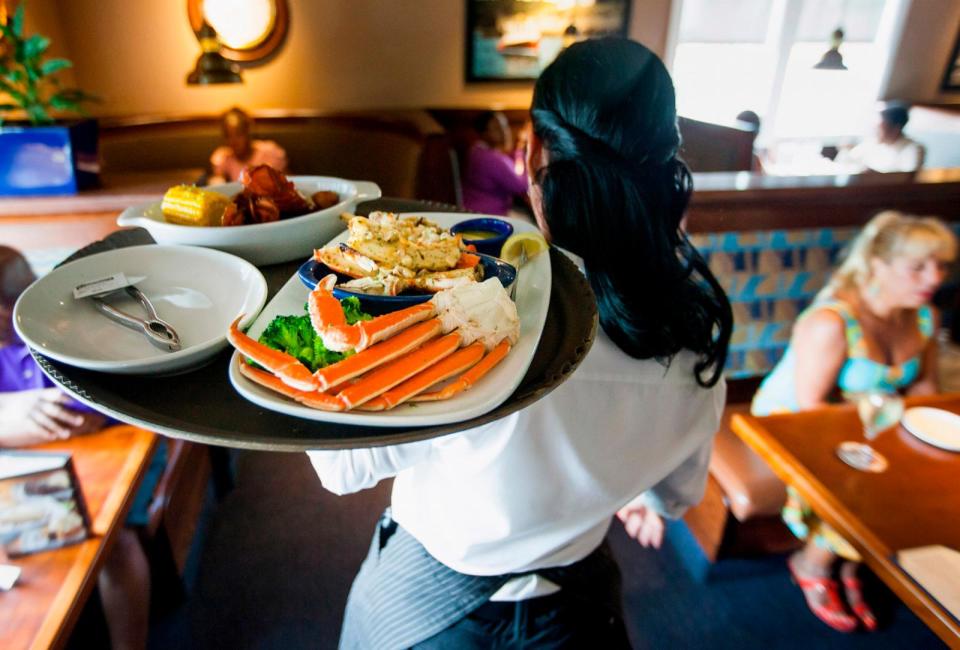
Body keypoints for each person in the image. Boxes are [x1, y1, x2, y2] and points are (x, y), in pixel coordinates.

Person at [308, 38, 732, 648]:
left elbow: (341, 468)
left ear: (530, 155)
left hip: (428, 602)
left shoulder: (472, 310)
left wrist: (323, 307)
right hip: (578, 611)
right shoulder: (695, 333)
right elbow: (676, 497)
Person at [752, 211, 957, 632]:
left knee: (924, 474)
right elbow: (809, 408)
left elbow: (925, 389)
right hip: (787, 421)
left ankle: (848, 561)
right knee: (868, 484)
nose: (934, 277)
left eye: (942, 265)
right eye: (918, 267)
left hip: (865, 420)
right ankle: (813, 562)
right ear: (876, 265)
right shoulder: (831, 322)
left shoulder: (923, 316)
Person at [0, 246, 159, 650]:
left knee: (114, 539)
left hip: (119, 447)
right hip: (32, 463)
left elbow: (69, 414)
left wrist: (18, 421)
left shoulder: (55, 341)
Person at [460, 110, 529, 216]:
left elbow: (507, 165)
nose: (504, 132)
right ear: (484, 132)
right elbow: (521, 186)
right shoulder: (489, 158)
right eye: (497, 128)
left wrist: (517, 150)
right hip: (488, 214)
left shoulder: (476, 151)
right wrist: (521, 151)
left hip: (473, 211)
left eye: (505, 126)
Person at [838, 102, 925, 174]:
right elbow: (846, 162)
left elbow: (908, 179)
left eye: (880, 128)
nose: (876, 131)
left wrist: (875, 175)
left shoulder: (914, 149)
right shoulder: (872, 143)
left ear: (896, 128)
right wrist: (845, 149)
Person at [208, 107, 288, 184]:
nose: (233, 141)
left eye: (238, 134)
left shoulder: (270, 152)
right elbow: (219, 185)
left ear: (248, 132)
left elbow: (287, 182)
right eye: (228, 136)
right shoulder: (224, 158)